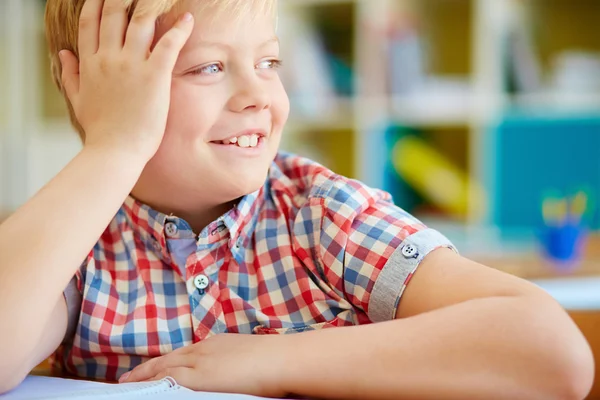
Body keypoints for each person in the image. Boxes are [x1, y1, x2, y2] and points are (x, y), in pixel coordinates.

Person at [0, 0, 594, 398]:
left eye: (269, 62)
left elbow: (552, 355)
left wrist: (271, 361)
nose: (259, 94)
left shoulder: (322, 215)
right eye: (207, 67)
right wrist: (113, 148)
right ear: (92, 97)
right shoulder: (74, 243)